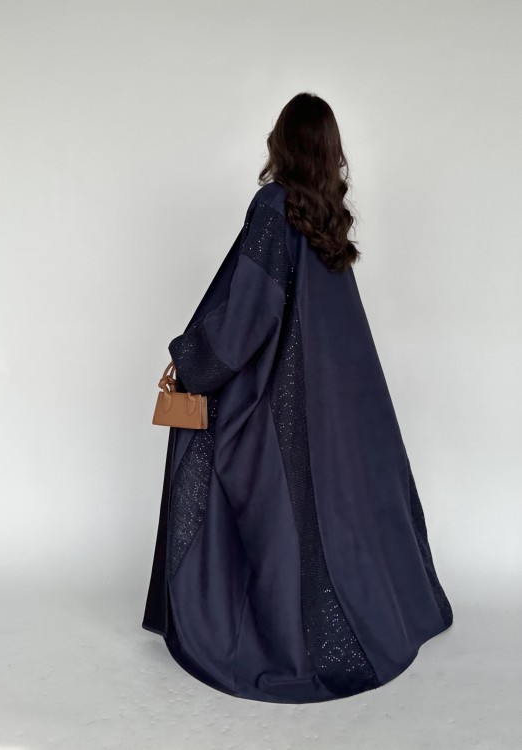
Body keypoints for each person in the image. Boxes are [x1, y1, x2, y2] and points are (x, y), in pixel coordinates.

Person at [142, 92, 453, 704]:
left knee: (201, 439)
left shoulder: (273, 207)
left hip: (284, 408)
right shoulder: (326, 218)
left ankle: (249, 627)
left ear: (280, 143)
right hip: (333, 408)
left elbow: (246, 321)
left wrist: (189, 360)